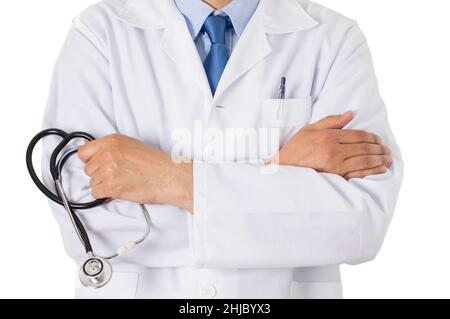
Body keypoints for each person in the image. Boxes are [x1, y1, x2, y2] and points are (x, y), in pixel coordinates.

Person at [42, 0, 403, 299]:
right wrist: (281, 169)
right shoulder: (100, 33)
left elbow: (358, 222)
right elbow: (88, 222)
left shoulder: (333, 38)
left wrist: (165, 180)